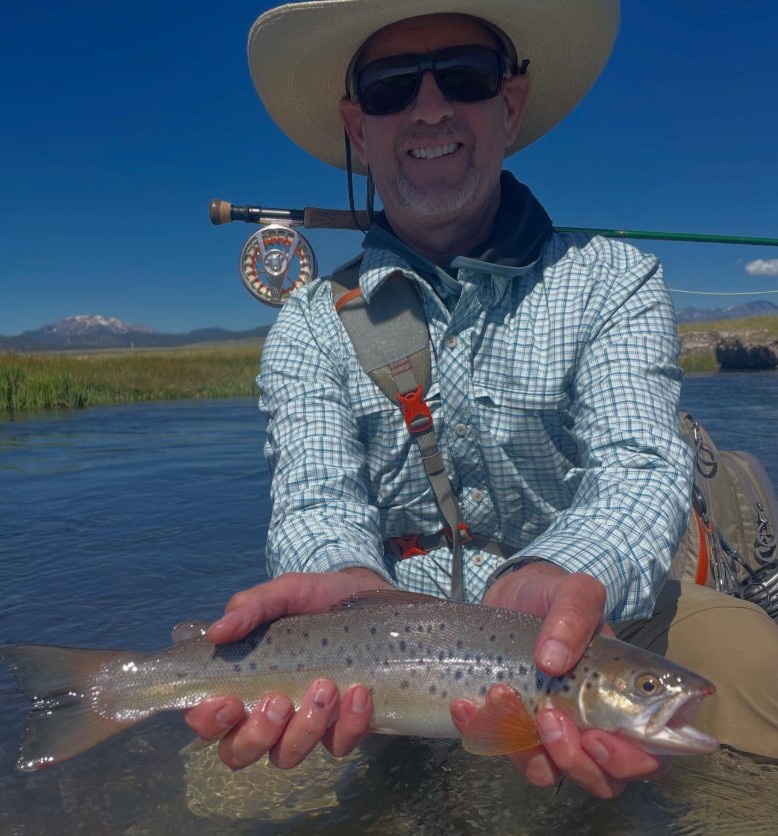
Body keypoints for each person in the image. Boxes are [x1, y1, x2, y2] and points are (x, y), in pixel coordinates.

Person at [186, 0, 778, 797]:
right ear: (360, 127)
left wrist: (563, 573)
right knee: (226, 781)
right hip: (384, 645)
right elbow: (314, 505)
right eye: (395, 88)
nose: (430, 107)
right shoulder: (307, 329)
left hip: (602, 618)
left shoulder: (614, 281)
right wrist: (346, 584)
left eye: (464, 75)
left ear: (510, 103)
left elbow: (640, 469)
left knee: (754, 676)